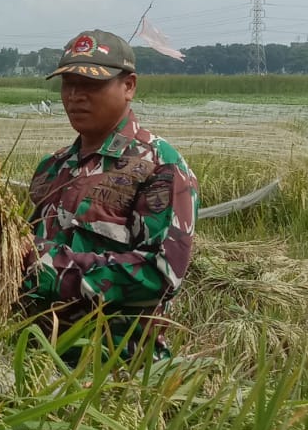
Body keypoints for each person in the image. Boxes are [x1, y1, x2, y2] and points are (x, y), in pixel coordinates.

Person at [21, 29, 198, 365]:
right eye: (68, 85)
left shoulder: (158, 166)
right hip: (34, 361)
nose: (75, 97)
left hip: (115, 370)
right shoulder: (51, 167)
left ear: (128, 86)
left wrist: (47, 270)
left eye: (90, 85)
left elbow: (161, 275)